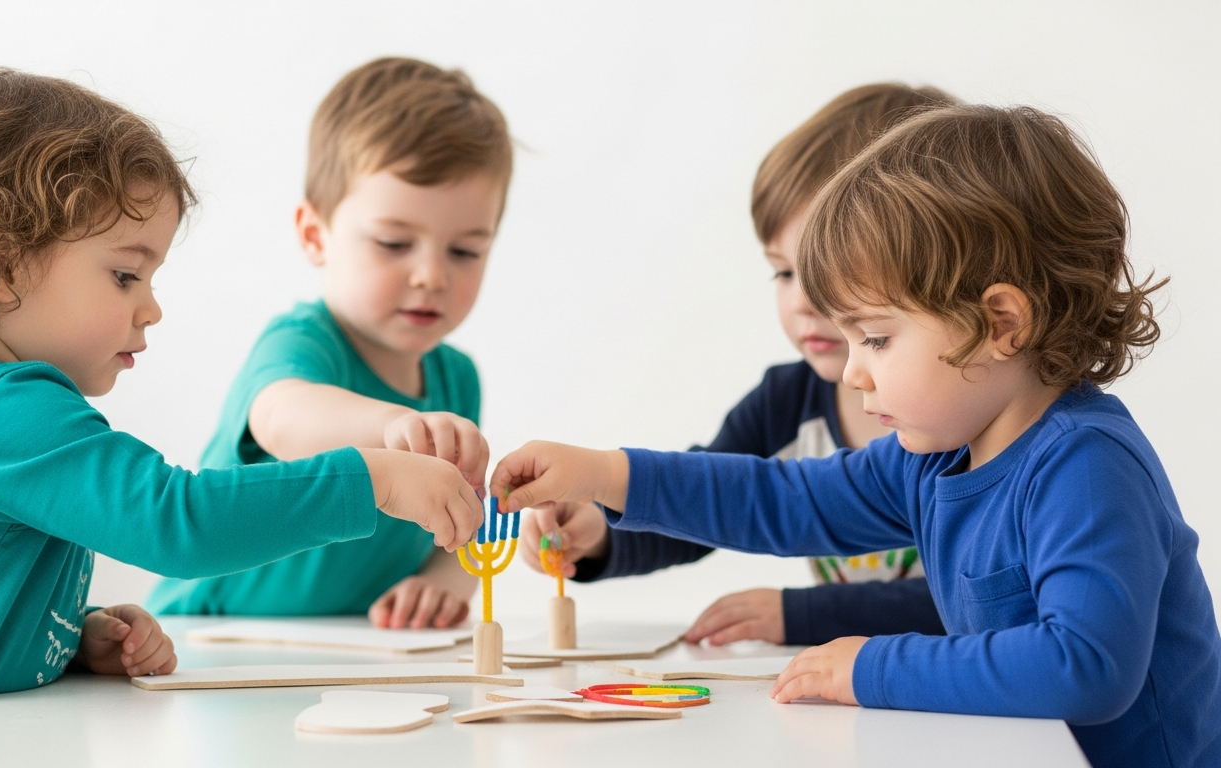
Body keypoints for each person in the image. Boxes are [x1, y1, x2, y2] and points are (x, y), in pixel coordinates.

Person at [490, 104, 1220, 768]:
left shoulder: (1085, 466)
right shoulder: (933, 456)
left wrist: (869, 665)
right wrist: (606, 474)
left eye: (875, 338)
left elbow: (1085, 667)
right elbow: (780, 498)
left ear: (1002, 323)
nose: (854, 375)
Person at [0, 67, 481, 761]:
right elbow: (177, 522)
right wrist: (370, 480)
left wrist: (74, 636)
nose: (151, 307)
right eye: (126, 275)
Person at [520, 83, 953, 647]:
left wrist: (802, 614)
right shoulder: (788, 399)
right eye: (784, 272)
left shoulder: (963, 421)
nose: (803, 300)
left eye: (835, 277)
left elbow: (973, 601)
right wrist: (601, 529)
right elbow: (715, 502)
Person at [147, 57, 510, 630]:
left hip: (345, 648)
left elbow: (465, 511)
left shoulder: (456, 380)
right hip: (206, 638)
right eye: (394, 243)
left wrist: (445, 579)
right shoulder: (304, 342)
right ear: (316, 236)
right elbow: (280, 417)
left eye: (464, 251)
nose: (431, 276)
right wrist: (394, 426)